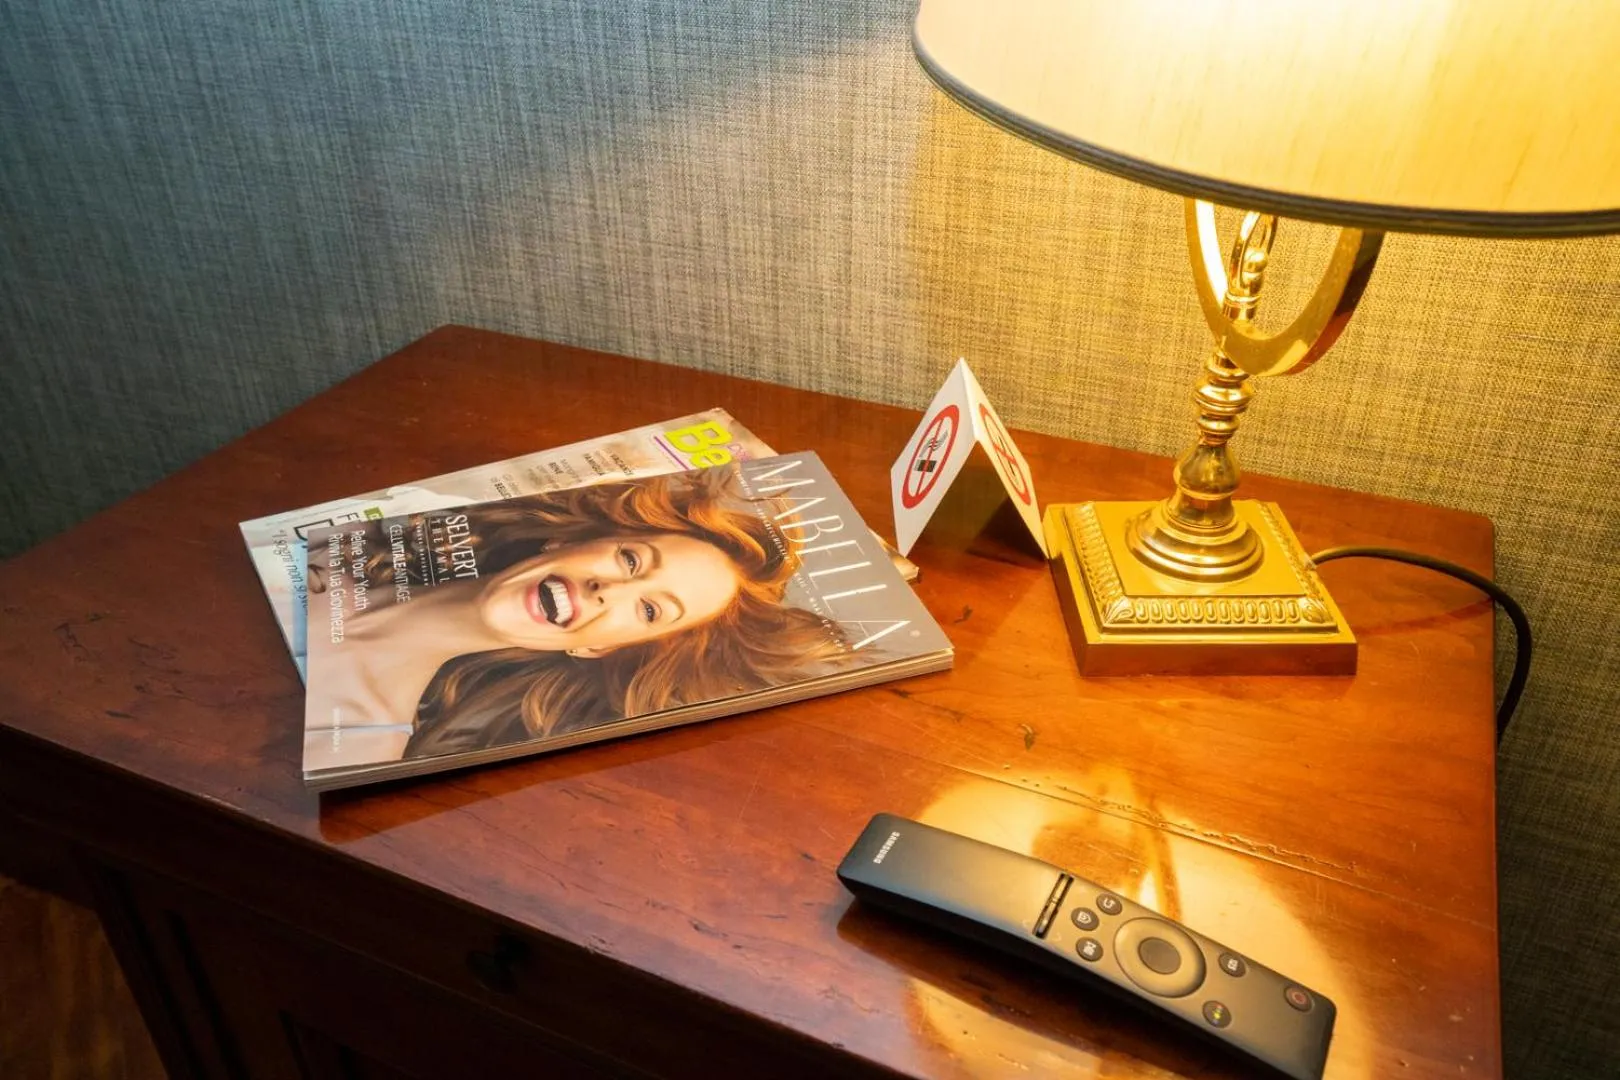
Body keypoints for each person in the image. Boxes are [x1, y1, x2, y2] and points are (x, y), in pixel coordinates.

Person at [303, 468, 848, 769]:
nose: (608, 589)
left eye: (650, 609)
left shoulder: (361, 745)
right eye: (631, 561)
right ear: (569, 539)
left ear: (599, 649)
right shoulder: (344, 532)